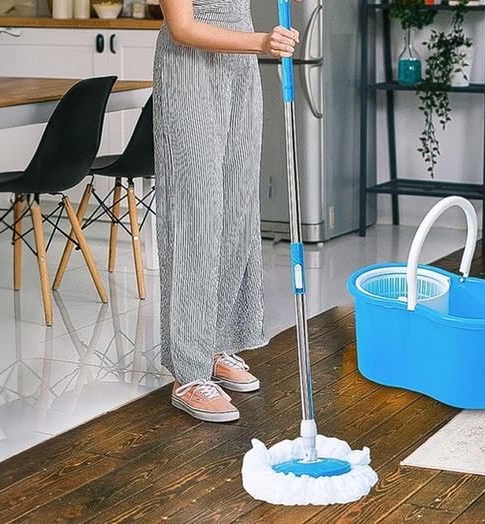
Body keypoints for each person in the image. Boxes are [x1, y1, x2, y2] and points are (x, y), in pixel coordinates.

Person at [153, 0, 300, 423]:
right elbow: (182, 27)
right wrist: (261, 42)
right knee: (196, 215)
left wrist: (257, 46)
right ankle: (189, 372)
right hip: (190, 71)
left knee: (235, 212)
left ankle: (215, 343)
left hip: (239, 72)